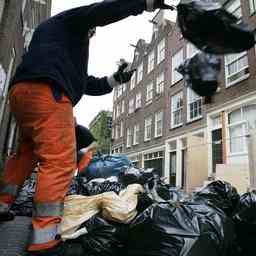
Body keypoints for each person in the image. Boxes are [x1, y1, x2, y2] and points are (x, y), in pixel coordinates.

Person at [0, 0, 173, 255]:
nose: (92, 33)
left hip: (22, 92)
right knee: (59, 160)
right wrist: (143, 4)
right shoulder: (69, 22)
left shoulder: (58, 44)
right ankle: (44, 237)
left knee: (27, 154)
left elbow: (86, 84)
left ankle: (3, 203)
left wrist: (116, 79)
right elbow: (100, 12)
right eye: (92, 29)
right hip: (48, 92)